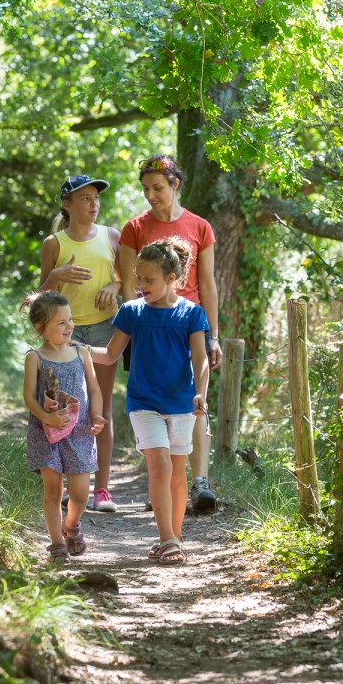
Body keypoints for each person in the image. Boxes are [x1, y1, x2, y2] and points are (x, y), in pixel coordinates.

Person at [91, 238, 209, 564]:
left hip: (183, 402)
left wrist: (202, 391)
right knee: (159, 464)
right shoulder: (132, 312)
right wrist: (78, 349)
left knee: (177, 471)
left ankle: (175, 536)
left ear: (172, 279)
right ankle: (167, 538)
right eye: (137, 278)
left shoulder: (192, 314)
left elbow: (199, 358)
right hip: (143, 401)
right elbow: (111, 353)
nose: (140, 285)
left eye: (148, 279)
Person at [118, 154, 222, 514]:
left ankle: (200, 481)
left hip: (190, 324)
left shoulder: (200, 226)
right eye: (145, 188)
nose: (151, 195)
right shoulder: (134, 227)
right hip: (150, 328)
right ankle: (160, 481)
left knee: (195, 397)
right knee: (156, 401)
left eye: (158, 188)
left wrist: (214, 335)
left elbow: (207, 285)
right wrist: (134, 328)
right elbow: (130, 285)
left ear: (175, 185)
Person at [40, 174, 121, 513]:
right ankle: (64, 483)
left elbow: (129, 281)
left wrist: (114, 288)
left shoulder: (112, 237)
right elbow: (41, 299)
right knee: (63, 407)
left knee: (100, 410)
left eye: (95, 198)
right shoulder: (54, 244)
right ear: (67, 205)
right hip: (65, 334)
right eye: (85, 199)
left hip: (104, 329)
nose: (93, 204)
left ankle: (101, 489)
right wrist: (56, 277)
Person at [21, 291, 106, 563]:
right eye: (61, 323)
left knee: (80, 494)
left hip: (79, 430)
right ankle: (56, 542)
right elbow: (28, 398)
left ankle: (71, 525)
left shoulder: (81, 352)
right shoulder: (35, 357)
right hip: (46, 433)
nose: (69, 327)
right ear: (41, 329)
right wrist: (47, 418)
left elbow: (93, 388)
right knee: (53, 489)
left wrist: (98, 416)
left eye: (70, 320)